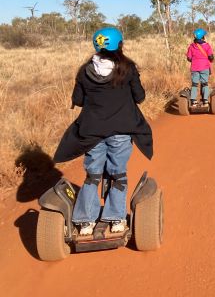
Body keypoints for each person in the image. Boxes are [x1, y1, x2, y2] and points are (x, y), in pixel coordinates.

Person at [53, 27, 153, 237]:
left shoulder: (84, 70)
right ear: (119, 44)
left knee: (92, 175)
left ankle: (85, 222)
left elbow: (78, 100)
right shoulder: (127, 68)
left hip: (92, 132)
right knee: (118, 173)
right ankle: (116, 219)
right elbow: (140, 97)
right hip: (121, 130)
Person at [186, 28, 214, 106]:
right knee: (204, 83)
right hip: (204, 67)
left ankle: (193, 101)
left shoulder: (191, 46)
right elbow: (211, 57)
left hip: (194, 67)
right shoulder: (207, 46)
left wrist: (195, 60)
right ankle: (205, 101)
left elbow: (188, 58)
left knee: (194, 84)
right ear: (202, 37)